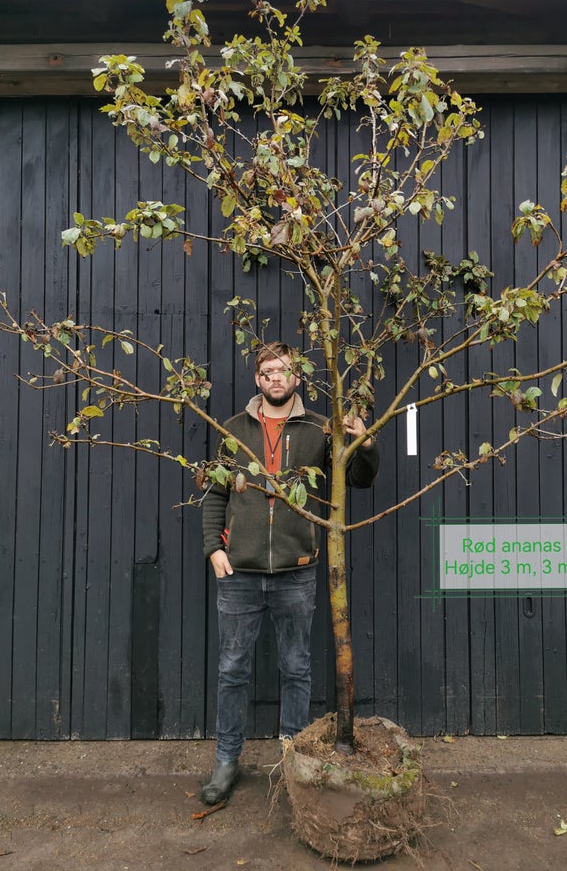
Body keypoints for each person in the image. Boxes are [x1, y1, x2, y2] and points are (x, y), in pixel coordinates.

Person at [200, 341, 379, 805]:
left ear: (297, 378)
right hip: (238, 572)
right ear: (257, 379)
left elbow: (359, 478)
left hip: (298, 571)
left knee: (296, 669)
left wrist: (365, 441)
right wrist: (212, 549)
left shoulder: (320, 428)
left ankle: (291, 759)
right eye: (267, 371)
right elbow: (216, 493)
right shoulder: (234, 430)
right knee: (232, 669)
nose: (275, 378)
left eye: (283, 371)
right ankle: (226, 760)